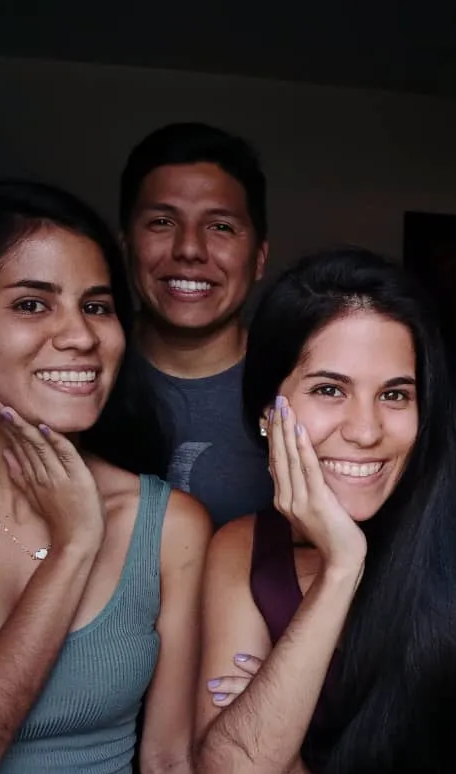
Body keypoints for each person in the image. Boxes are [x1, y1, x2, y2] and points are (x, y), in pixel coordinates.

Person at [195, 249, 456, 774]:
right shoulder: (239, 551)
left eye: (394, 395)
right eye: (329, 389)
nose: (366, 431)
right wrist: (340, 569)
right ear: (269, 411)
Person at [0, 180, 210, 774]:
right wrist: (74, 545)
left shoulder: (168, 525)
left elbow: (167, 761)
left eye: (96, 306)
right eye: (31, 304)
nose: (81, 336)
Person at [120, 122, 272, 528]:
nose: (189, 249)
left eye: (220, 227)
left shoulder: (292, 384)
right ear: (126, 245)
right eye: (162, 222)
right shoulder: (79, 372)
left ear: (259, 258)